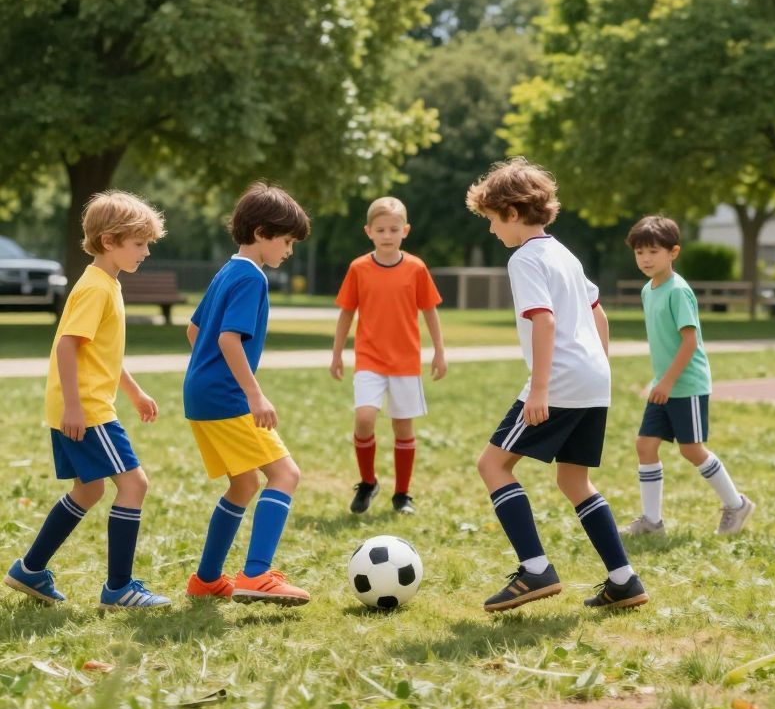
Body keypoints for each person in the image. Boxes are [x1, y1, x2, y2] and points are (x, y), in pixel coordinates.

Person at [465, 158, 647, 612]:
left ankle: (534, 569)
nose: (490, 231)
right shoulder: (563, 253)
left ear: (510, 212)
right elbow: (597, 311)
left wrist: (541, 389)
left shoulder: (524, 258)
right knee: (573, 479)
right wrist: (597, 368)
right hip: (592, 379)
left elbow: (543, 321)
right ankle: (624, 579)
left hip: (560, 381)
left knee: (493, 465)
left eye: (490, 220)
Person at [6, 192, 170, 609]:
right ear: (110, 240)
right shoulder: (96, 288)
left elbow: (101, 353)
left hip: (82, 404)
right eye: (140, 244)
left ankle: (30, 569)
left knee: (89, 490)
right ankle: (119, 588)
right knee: (134, 484)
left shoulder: (106, 282)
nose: (146, 251)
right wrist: (75, 407)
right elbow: (67, 347)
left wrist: (133, 391)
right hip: (88, 409)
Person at [184, 183, 313, 605]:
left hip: (201, 396)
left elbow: (194, 331)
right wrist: (254, 395)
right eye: (287, 241)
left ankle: (206, 579)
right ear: (262, 233)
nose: (289, 251)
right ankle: (256, 575)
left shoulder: (227, 270)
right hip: (226, 400)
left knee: (242, 485)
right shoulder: (252, 278)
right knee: (285, 475)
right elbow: (228, 340)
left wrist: (207, 376)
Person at [619, 215, 753, 536]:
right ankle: (652, 522)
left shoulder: (678, 291)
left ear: (673, 252)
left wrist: (666, 381)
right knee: (645, 445)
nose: (646, 259)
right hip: (663, 386)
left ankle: (736, 505)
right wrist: (660, 382)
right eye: (640, 252)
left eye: (653, 251)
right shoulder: (648, 290)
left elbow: (689, 342)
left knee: (691, 449)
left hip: (686, 385)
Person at [330, 196, 447, 516]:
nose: (387, 235)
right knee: (365, 419)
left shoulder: (416, 268)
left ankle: (402, 495)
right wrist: (337, 353)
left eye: (394, 229)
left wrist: (439, 351)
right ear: (368, 231)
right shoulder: (358, 268)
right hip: (369, 358)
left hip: (406, 361)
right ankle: (368, 482)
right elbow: (346, 313)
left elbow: (430, 312)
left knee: (402, 429)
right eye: (380, 229)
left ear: (405, 231)